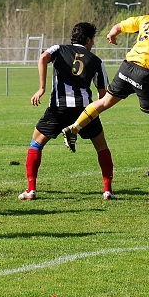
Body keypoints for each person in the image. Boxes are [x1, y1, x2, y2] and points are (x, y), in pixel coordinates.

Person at [62, 0, 149, 183]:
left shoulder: (146, 18)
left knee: (105, 101)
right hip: (147, 71)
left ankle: (74, 128)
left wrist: (112, 35)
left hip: (127, 65)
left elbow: (119, 26)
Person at [19, 22, 115, 200]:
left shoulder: (59, 49)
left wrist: (42, 88)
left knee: (35, 144)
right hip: (85, 112)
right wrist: (92, 110)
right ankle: (107, 191)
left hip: (59, 108)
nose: (92, 43)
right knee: (101, 147)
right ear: (87, 39)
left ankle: (31, 190)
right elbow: (103, 95)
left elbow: (42, 58)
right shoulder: (96, 61)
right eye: (92, 39)